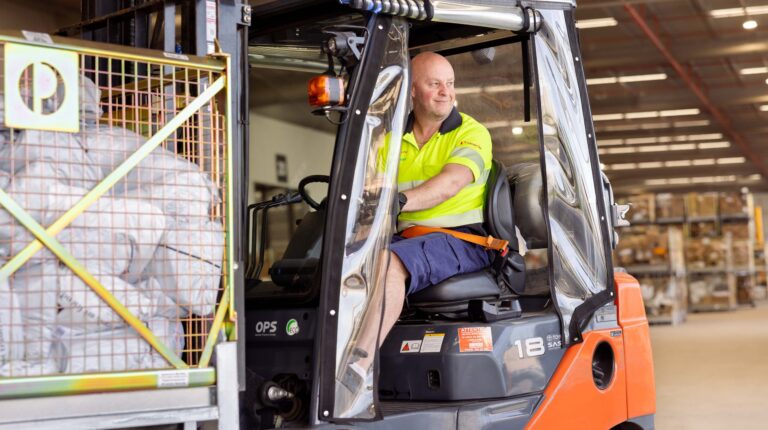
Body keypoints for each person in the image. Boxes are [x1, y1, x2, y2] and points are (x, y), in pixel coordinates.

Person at [338, 51, 494, 413]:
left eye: (450, 84)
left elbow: (450, 183)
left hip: (463, 239)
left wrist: (399, 201)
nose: (445, 92)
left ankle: (355, 368)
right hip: (412, 239)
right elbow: (369, 192)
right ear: (411, 90)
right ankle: (328, 348)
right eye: (434, 83)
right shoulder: (391, 140)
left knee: (390, 262)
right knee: (345, 259)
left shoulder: (472, 133)